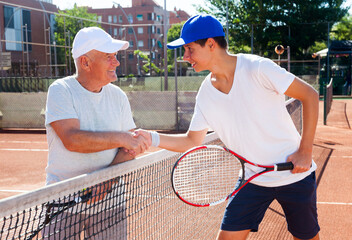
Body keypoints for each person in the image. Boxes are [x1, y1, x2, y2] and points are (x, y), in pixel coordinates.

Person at [137, 15, 320, 240]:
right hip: (252, 179)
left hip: (295, 175)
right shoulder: (205, 94)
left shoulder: (257, 68)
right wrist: (151, 138)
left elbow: (310, 95)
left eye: (190, 49)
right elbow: (191, 141)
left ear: (211, 44)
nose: (185, 57)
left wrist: (305, 151)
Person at [44, 27, 150, 239]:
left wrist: (106, 182)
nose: (116, 62)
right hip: (63, 203)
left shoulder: (118, 96)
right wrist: (121, 137)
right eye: (109, 57)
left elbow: (129, 148)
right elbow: (72, 140)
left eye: (115, 57)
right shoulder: (61, 90)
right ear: (85, 62)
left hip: (110, 203)